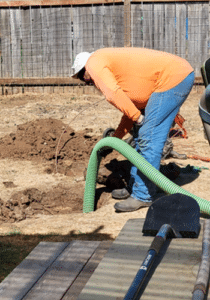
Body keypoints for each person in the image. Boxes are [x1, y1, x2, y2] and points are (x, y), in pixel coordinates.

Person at [71, 48, 194, 212]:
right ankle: (136, 187)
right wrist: (115, 138)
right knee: (139, 136)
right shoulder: (113, 68)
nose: (90, 83)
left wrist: (138, 117)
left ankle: (143, 195)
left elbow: (113, 94)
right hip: (171, 77)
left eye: (86, 80)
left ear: (84, 72)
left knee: (148, 137)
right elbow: (128, 114)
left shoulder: (93, 64)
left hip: (172, 78)